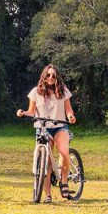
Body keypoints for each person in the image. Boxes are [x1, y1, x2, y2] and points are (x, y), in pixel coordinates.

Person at [16, 64, 77, 202]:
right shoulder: (35, 92)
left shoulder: (63, 91)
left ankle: (64, 181)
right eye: (48, 75)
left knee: (63, 152)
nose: (51, 78)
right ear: (44, 76)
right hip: (43, 127)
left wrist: (71, 117)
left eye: (54, 76)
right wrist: (23, 113)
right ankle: (47, 195)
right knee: (46, 163)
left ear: (57, 78)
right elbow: (31, 112)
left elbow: (68, 110)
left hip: (60, 126)